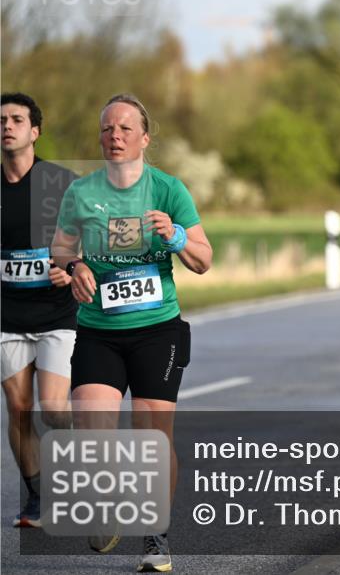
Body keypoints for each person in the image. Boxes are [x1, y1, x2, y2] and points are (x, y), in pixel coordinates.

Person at [51, 93, 213, 571]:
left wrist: (177, 237)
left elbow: (204, 261)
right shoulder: (81, 193)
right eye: (106, 129)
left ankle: (156, 538)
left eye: (124, 129)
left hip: (156, 331)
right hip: (99, 330)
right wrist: (74, 266)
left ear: (145, 138)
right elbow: (60, 251)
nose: (114, 136)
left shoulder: (168, 190)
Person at [1, 92, 77, 528]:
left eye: (15, 119)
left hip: (54, 314)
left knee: (52, 408)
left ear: (35, 131)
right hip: (7, 315)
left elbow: (88, 236)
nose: (6, 126)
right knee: (18, 408)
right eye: (0, 120)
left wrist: (73, 267)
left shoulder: (59, 182)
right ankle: (37, 498)